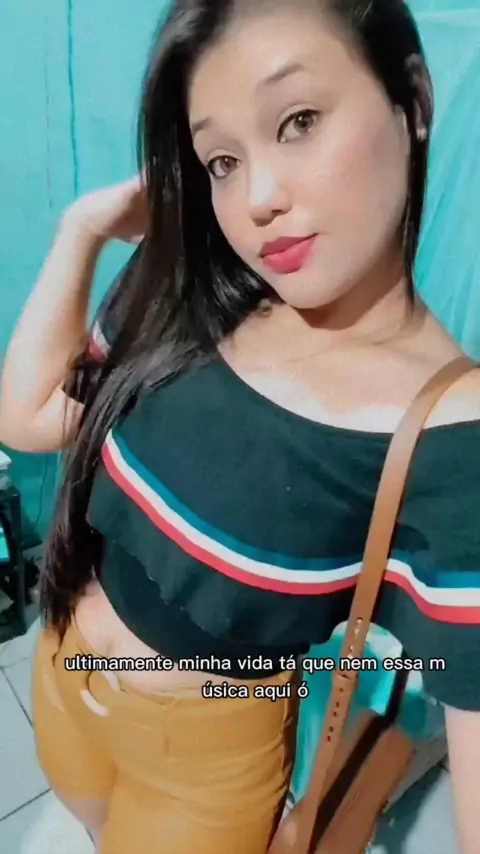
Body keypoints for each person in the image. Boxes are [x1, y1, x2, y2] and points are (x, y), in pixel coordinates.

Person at [0, 1, 479, 852]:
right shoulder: (187, 292)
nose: (257, 198)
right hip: (65, 670)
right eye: (222, 159)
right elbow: (30, 419)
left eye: (299, 121)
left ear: (412, 98)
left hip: (204, 760)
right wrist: (82, 231)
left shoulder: (450, 433)